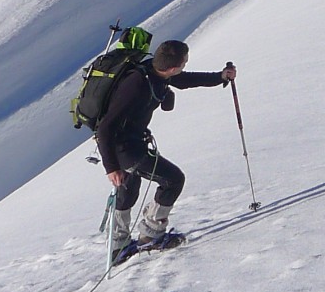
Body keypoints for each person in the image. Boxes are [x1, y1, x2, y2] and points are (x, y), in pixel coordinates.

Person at [95, 37, 236, 261]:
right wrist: (111, 166)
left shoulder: (153, 71)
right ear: (172, 67)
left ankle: (119, 246)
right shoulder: (136, 84)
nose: (185, 67)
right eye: (184, 63)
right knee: (173, 180)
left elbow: (186, 80)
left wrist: (220, 77)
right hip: (124, 149)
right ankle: (151, 235)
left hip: (133, 143)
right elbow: (104, 128)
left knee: (128, 189)